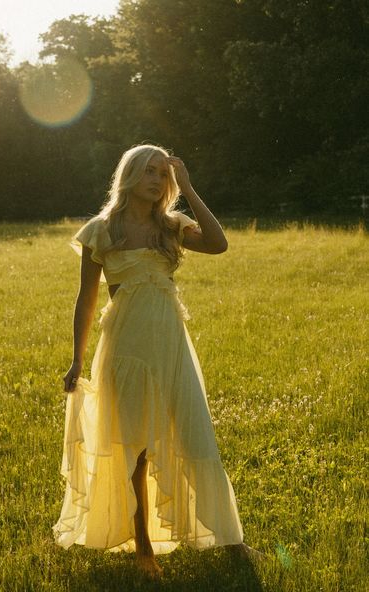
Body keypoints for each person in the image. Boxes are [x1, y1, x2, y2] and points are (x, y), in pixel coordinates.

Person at [54, 144, 257, 578]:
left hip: (171, 345)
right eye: (148, 171)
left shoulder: (170, 226)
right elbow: (86, 299)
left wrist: (189, 188)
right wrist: (76, 359)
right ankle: (142, 544)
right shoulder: (101, 229)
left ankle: (230, 540)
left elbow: (219, 245)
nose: (156, 180)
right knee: (136, 447)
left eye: (162, 174)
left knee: (195, 435)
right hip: (126, 348)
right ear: (129, 175)